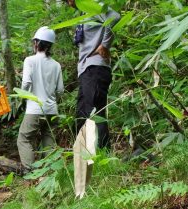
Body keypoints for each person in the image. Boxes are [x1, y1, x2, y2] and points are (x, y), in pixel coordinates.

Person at [69, 0, 120, 150]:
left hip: (95, 67)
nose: (69, 3)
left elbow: (115, 16)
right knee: (82, 113)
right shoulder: (85, 13)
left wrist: (105, 45)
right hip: (86, 70)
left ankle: (103, 152)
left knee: (95, 112)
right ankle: (83, 154)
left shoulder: (93, 5)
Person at [16, 27, 64, 173]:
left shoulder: (30, 60)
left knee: (24, 139)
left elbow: (26, 83)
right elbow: (60, 90)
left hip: (34, 109)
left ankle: (30, 172)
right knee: (48, 139)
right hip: (52, 110)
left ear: (37, 43)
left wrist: (23, 98)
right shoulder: (56, 65)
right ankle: (49, 173)